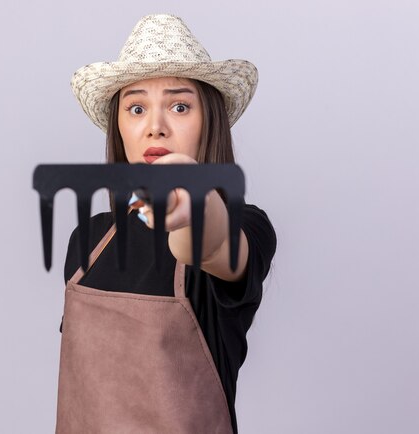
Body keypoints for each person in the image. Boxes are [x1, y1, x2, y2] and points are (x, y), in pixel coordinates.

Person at [60, 14, 277, 434]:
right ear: (118, 126)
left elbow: (209, 246)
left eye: (180, 106)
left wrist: (190, 204)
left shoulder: (246, 227)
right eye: (136, 108)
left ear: (208, 120)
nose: (155, 126)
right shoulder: (88, 239)